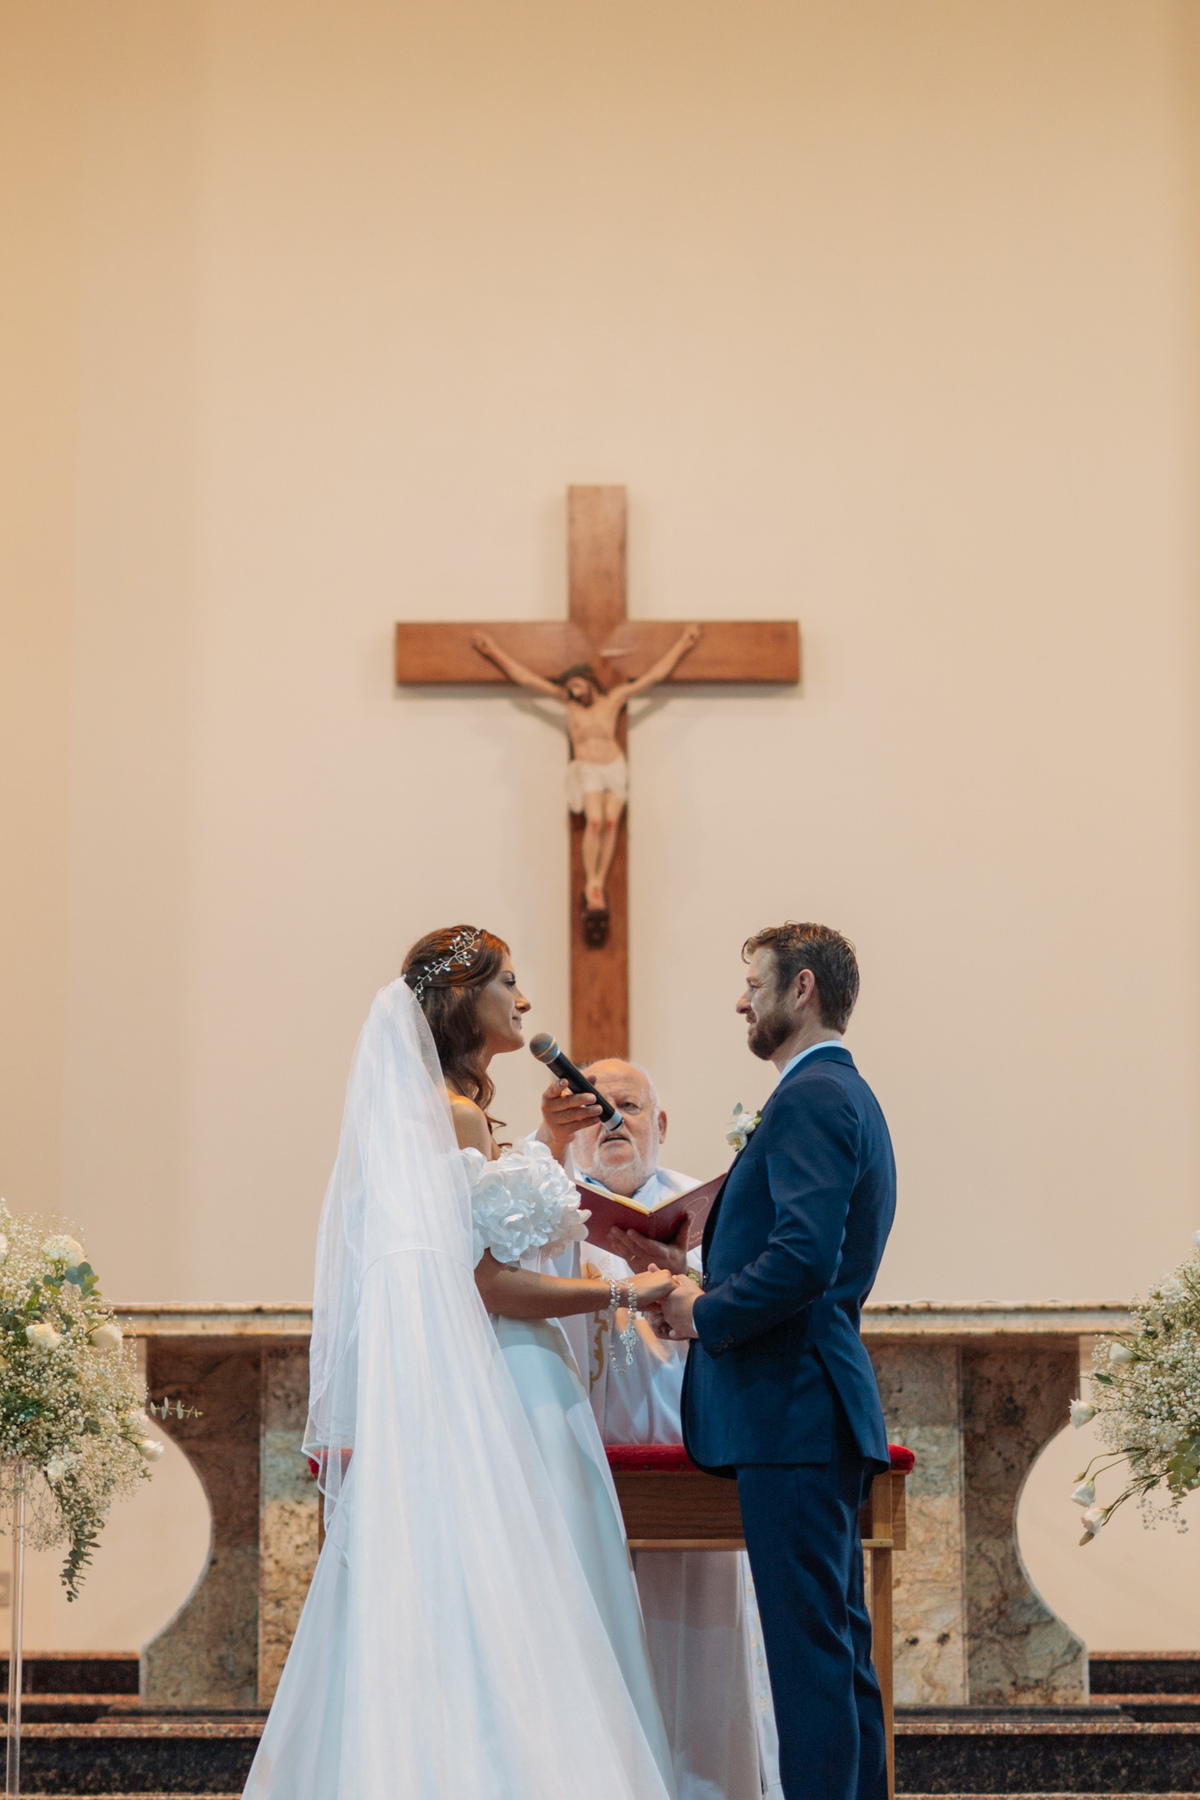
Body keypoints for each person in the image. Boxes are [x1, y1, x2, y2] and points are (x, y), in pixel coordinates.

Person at [243, 929, 676, 1800]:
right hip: (511, 1378)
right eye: (507, 982)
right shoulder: (456, 1114)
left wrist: (548, 1148)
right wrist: (623, 1292)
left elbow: (483, 1243)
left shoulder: (436, 1111)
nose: (525, 1000)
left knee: (489, 1599)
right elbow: (488, 1284)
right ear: (460, 999)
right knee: (540, 1601)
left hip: (496, 1376)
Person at [656, 923, 897, 1800]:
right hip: (807, 1405)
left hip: (792, 1407)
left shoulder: (813, 1097)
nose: (740, 1002)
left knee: (808, 1661)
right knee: (831, 1650)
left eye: (753, 985)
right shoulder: (841, 1092)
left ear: (802, 988)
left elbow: (802, 1260)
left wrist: (701, 1312)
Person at [535, 1058, 777, 1800]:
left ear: (661, 1123)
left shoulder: (712, 1212)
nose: (613, 1120)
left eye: (630, 1106)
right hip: (584, 1466)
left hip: (691, 1465)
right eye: (596, 1108)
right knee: (593, 1650)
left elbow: (754, 1312)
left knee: (701, 1652)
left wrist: (688, 1278)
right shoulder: (548, 1209)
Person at [471, 627, 701, 938]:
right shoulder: (569, 705)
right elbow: (526, 678)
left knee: (610, 822)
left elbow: (653, 676)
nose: (576, 693)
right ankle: (591, 880)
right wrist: (492, 650)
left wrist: (684, 644)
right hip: (588, 769)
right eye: (571, 689)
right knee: (594, 822)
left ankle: (599, 881)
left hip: (614, 767)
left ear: (589, 681)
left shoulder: (613, 699)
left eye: (578, 686)